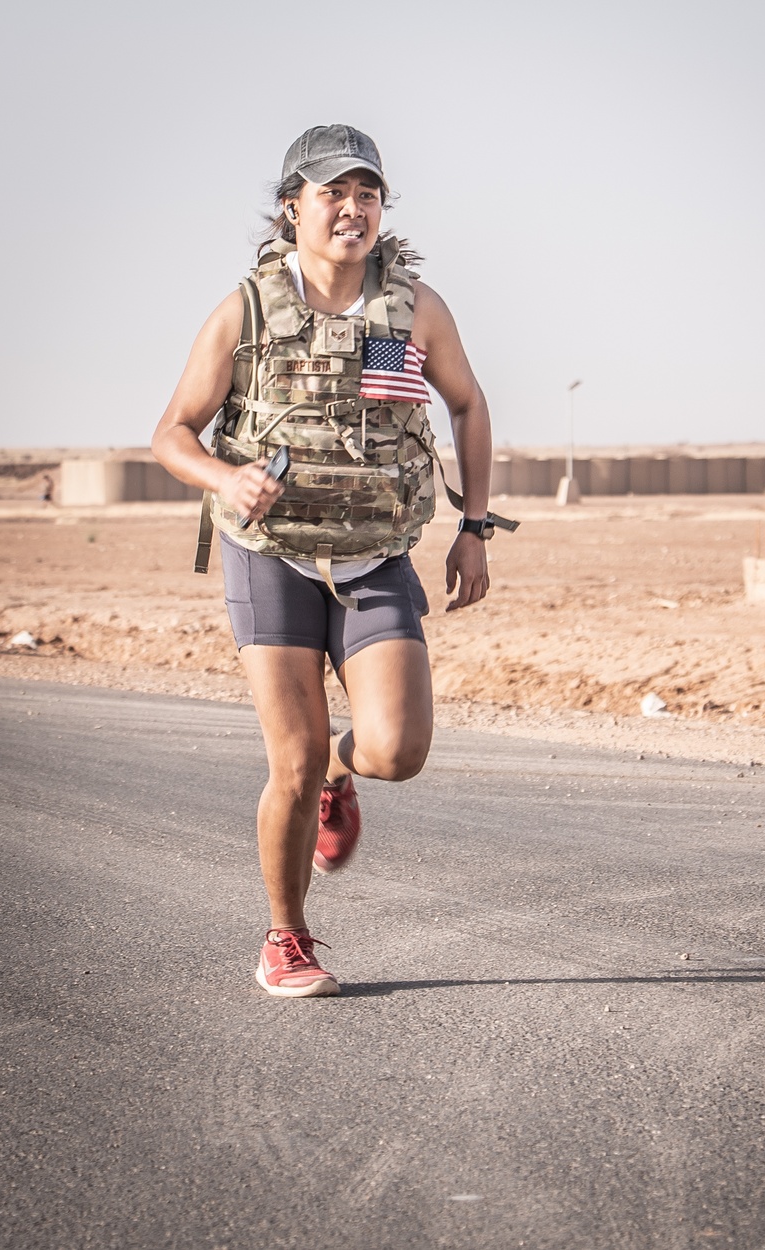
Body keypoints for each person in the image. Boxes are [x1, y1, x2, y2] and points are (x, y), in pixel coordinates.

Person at [152, 125, 500, 998]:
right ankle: (287, 937)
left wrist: (476, 525)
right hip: (269, 556)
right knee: (293, 761)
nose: (352, 208)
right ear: (292, 208)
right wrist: (225, 480)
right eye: (332, 193)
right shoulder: (249, 310)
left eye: (367, 193)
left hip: (376, 554)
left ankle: (344, 779)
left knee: (395, 750)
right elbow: (171, 434)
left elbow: (467, 402)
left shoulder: (411, 309)